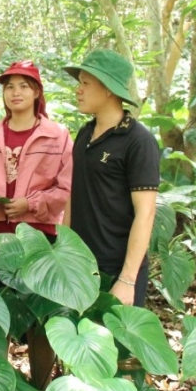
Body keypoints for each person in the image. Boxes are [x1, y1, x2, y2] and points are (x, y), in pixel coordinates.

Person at [0, 60, 73, 388]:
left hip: (39, 240)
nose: (15, 92)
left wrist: (31, 204)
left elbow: (66, 188)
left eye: (24, 86)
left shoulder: (57, 136)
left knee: (40, 319)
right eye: (9, 86)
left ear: (37, 92)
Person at [62, 49, 159, 307]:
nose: (78, 90)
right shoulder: (84, 134)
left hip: (118, 269)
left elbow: (146, 213)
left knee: (114, 334)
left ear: (108, 89)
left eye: (85, 83)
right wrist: (64, 247)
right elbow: (74, 193)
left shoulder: (139, 142)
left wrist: (127, 279)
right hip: (81, 264)